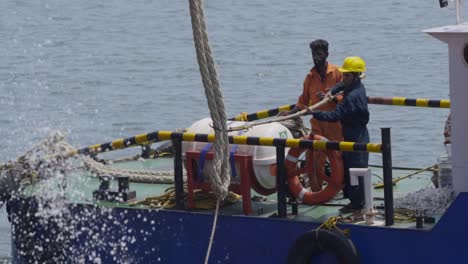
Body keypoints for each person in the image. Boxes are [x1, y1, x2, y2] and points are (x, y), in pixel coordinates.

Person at [281, 39, 343, 191]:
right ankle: (316, 192)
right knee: (314, 162)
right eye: (314, 54)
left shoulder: (338, 73)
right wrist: (289, 114)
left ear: (326, 54)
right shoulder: (310, 77)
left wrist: (332, 98)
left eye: (319, 54)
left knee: (340, 160)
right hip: (317, 127)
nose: (316, 58)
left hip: (336, 127)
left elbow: (346, 99)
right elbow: (303, 103)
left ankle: (342, 188)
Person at [312, 56, 370, 213]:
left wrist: (314, 113)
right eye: (344, 74)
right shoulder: (355, 85)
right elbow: (341, 85)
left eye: (347, 75)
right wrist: (330, 93)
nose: (344, 77)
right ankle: (354, 200)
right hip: (352, 132)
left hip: (357, 136)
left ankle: (358, 205)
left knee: (356, 169)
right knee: (348, 167)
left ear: (356, 75)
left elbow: (334, 116)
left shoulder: (352, 97)